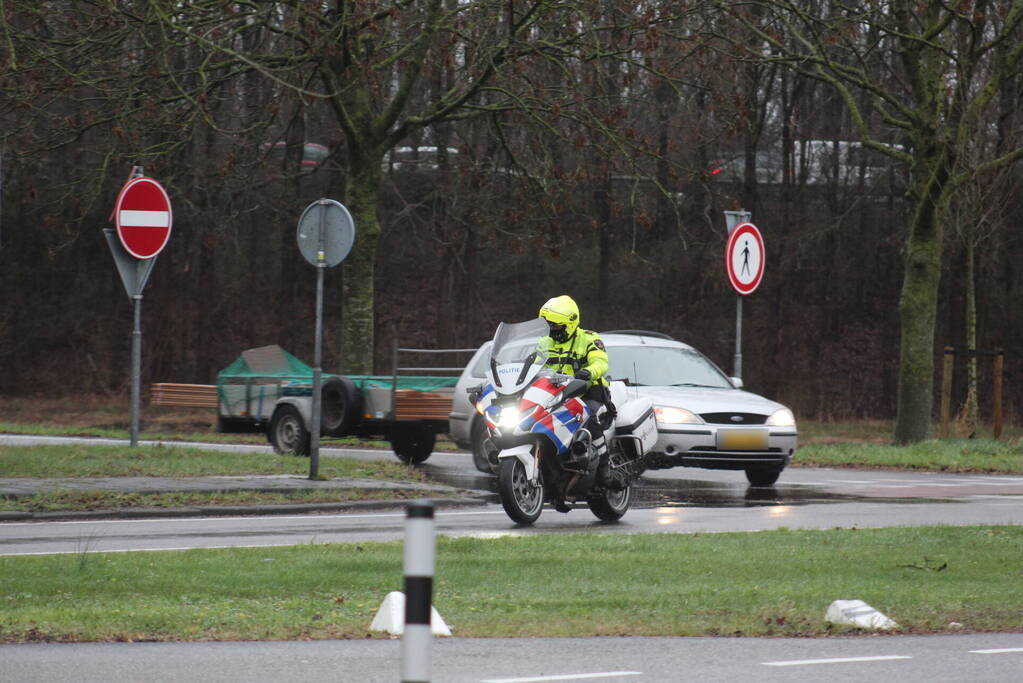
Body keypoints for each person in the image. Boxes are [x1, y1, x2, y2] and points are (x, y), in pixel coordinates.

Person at [537, 295, 624, 490]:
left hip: (589, 391)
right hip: (557, 393)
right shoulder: (544, 342)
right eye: (549, 325)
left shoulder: (589, 339)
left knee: (589, 416)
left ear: (569, 323)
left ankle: (604, 471)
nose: (552, 329)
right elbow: (533, 365)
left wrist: (588, 372)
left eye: (556, 326)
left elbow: (601, 362)